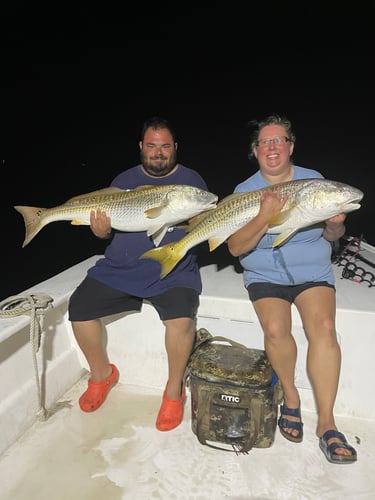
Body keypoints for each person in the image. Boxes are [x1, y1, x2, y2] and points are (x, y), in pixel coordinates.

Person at [227, 114, 357, 464]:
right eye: (265, 142)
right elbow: (236, 248)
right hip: (264, 273)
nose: (273, 147)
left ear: (291, 146)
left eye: (279, 140)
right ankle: (291, 396)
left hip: (310, 270)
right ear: (256, 151)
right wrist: (263, 215)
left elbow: (332, 238)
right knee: (275, 328)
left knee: (325, 330)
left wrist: (335, 226)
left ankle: (327, 424)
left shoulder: (314, 183)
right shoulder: (244, 191)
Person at [68, 116, 210, 432]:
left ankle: (174, 392)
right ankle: (102, 375)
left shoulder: (191, 182)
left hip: (172, 270)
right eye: (151, 146)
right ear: (141, 148)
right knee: (78, 310)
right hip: (120, 269)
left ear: (175, 148)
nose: (158, 152)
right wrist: (100, 231)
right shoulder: (124, 178)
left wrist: (198, 218)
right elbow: (107, 231)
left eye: (164, 146)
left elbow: (202, 224)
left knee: (181, 322)